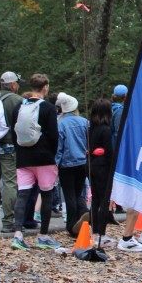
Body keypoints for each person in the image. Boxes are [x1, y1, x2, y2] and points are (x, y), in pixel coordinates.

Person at [10, 74, 61, 251]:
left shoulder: (19, 107)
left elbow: (13, 132)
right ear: (45, 87)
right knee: (46, 195)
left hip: (23, 157)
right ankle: (43, 236)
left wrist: (20, 151)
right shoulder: (48, 108)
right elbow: (54, 135)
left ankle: (18, 235)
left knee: (22, 194)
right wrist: (52, 154)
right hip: (44, 157)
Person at [87, 98, 126, 248]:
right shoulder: (106, 130)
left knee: (95, 200)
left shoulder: (90, 128)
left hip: (91, 165)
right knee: (105, 201)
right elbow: (109, 152)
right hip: (103, 167)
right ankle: (101, 234)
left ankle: (95, 231)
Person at [0, 71, 25, 233]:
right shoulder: (17, 100)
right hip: (9, 147)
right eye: (17, 83)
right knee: (9, 183)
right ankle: (8, 221)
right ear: (12, 85)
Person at [55, 92, 90, 236]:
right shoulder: (84, 122)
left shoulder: (60, 124)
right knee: (78, 192)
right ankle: (84, 214)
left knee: (69, 195)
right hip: (82, 162)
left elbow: (59, 148)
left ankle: (71, 226)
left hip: (66, 164)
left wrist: (56, 165)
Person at [110, 84, 127, 148]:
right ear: (125, 97)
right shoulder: (120, 111)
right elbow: (118, 132)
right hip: (116, 147)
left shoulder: (111, 108)